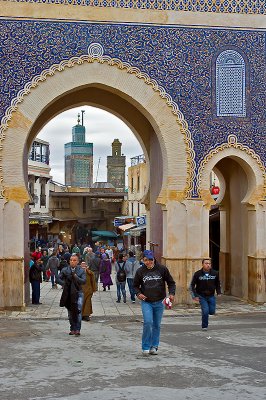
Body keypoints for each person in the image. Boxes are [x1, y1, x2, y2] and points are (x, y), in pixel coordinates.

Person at [133, 250, 176, 356]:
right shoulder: (140, 271)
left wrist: (171, 293)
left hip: (159, 301)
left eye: (150, 260)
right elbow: (135, 286)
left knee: (156, 324)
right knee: (148, 322)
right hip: (146, 301)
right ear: (143, 260)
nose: (148, 262)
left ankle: (154, 346)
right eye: (146, 260)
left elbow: (171, 282)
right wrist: (138, 294)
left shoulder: (162, 269)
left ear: (154, 259)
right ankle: (145, 347)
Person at [57, 254, 86, 336]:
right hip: (68, 293)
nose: (72, 262)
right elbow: (58, 279)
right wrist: (65, 284)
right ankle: (72, 328)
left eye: (74, 260)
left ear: (78, 261)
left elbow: (84, 281)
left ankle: (77, 329)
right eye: (71, 260)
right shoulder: (65, 270)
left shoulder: (81, 271)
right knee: (70, 312)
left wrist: (76, 277)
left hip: (78, 292)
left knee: (78, 310)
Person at [190, 258, 221, 331]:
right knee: (205, 311)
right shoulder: (197, 274)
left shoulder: (215, 273)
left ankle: (209, 311)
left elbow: (217, 284)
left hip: (211, 295)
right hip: (201, 295)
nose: (208, 265)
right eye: (206, 263)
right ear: (202, 264)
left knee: (212, 311)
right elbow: (192, 285)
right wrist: (195, 295)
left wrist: (219, 292)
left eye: (209, 264)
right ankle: (204, 326)